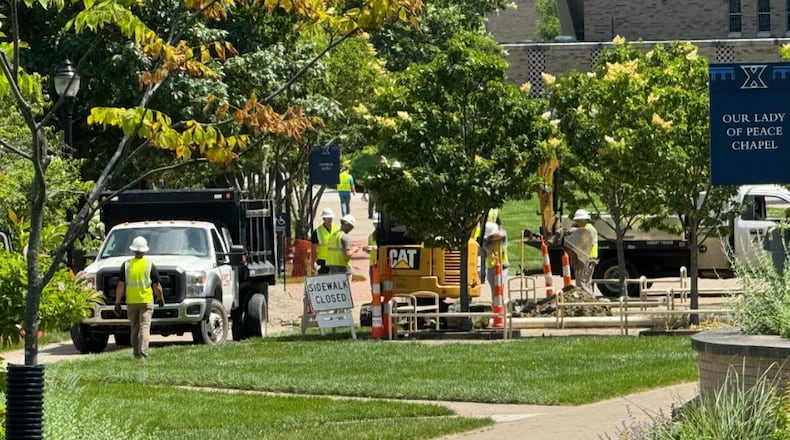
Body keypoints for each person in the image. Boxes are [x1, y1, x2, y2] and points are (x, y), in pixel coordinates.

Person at [114, 236, 164, 359]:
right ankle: (143, 352)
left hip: (131, 302)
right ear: (144, 250)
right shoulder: (149, 264)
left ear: (133, 250)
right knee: (145, 327)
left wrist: (117, 302)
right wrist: (160, 297)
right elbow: (156, 285)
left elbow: (121, 285)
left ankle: (136, 353)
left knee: (134, 328)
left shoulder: (126, 265)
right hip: (146, 301)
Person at [569, 208, 599, 291]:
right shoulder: (584, 229)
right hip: (585, 259)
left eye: (579, 221)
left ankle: (586, 302)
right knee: (584, 283)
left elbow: (587, 245)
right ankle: (587, 302)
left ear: (584, 220)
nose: (577, 223)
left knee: (583, 284)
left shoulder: (589, 230)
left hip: (587, 259)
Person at [483, 222, 509, 293]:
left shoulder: (503, 233)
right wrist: (495, 239)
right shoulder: (486, 239)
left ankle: (501, 303)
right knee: (494, 289)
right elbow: (488, 248)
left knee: (500, 288)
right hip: (490, 266)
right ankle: (495, 303)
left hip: (502, 265)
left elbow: (502, 235)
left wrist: (494, 238)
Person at [311, 208, 338, 274]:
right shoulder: (317, 232)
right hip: (322, 262)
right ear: (323, 219)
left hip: (335, 261)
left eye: (331, 217)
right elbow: (313, 249)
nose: (330, 219)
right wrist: (313, 262)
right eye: (328, 218)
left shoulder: (337, 229)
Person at [364, 214, 380, 287]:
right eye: (375, 223)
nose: (376, 225)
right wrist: (366, 249)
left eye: (377, 223)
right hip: (372, 263)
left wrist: (374, 248)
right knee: (373, 284)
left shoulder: (385, 236)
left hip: (381, 263)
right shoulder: (370, 236)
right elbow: (370, 251)